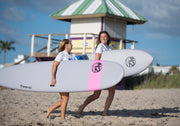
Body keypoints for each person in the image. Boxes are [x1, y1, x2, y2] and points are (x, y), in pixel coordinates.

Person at [77, 31, 114, 116]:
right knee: (96, 95)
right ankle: (82, 107)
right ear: (100, 39)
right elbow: (97, 60)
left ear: (108, 38)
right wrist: (96, 74)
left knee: (112, 92)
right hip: (100, 72)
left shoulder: (109, 48)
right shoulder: (100, 47)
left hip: (108, 72)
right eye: (102, 37)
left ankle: (105, 112)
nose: (103, 38)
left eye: (105, 36)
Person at [46, 39, 77, 120]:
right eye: (70, 44)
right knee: (65, 98)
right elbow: (54, 66)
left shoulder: (73, 55)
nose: (72, 45)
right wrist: (53, 78)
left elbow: (77, 66)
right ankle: (62, 118)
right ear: (66, 45)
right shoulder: (61, 54)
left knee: (64, 99)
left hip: (68, 80)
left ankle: (50, 109)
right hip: (61, 79)